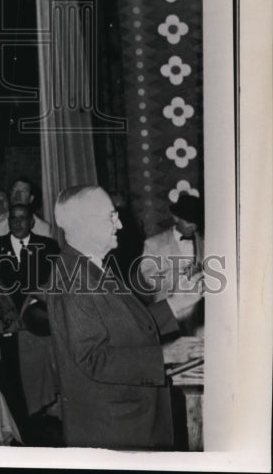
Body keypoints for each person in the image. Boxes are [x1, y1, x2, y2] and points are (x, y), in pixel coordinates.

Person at [45, 185, 203, 449]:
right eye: (111, 216)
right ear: (84, 223)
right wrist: (164, 355)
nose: (119, 224)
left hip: (126, 420)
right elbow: (93, 358)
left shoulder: (90, 265)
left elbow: (127, 325)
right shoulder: (72, 279)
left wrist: (177, 303)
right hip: (113, 430)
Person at [0, 203, 59, 435]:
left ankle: (42, 421)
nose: (17, 223)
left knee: (39, 377)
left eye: (22, 218)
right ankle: (20, 427)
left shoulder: (48, 246)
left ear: (31, 222)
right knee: (12, 374)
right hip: (7, 326)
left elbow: (55, 285)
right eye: (13, 219)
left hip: (37, 326)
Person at [138, 192, 204, 334]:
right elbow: (150, 278)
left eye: (195, 222)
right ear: (175, 218)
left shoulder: (205, 241)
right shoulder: (154, 244)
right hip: (171, 318)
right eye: (188, 221)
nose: (193, 226)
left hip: (200, 319)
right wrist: (181, 274)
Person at [0, 178, 53, 253]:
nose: (17, 194)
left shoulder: (43, 228)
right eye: (14, 190)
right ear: (10, 195)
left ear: (31, 199)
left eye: (23, 191)